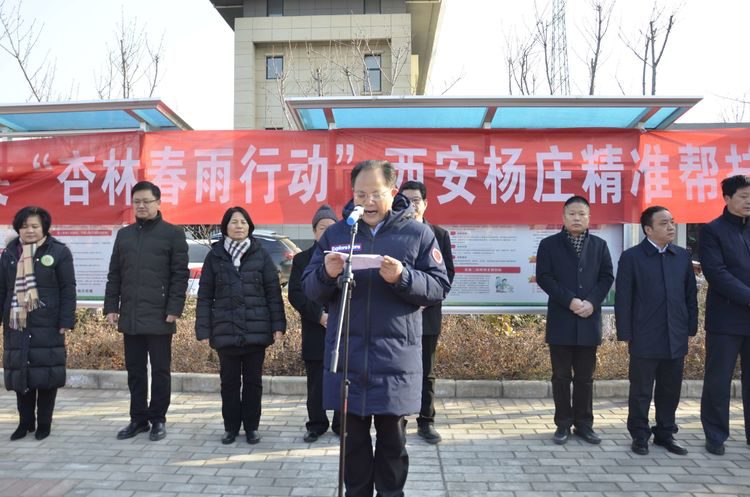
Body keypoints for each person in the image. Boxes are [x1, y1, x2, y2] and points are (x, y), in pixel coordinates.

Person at [302, 160, 451, 497]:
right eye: (360, 194)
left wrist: (404, 277)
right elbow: (310, 288)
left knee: (392, 448)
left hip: (394, 362)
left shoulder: (417, 233)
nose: (367, 201)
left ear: (393, 193)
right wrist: (326, 273)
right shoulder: (338, 233)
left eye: (375, 194)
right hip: (349, 361)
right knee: (352, 449)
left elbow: (439, 285)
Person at [104, 181, 189, 442]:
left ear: (158, 203)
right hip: (130, 314)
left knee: (161, 370)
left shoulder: (173, 234)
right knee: (135, 371)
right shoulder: (125, 235)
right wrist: (111, 307)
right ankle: (138, 419)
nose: (141, 206)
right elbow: (115, 274)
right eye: (137, 202)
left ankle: (158, 419)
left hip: (161, 314)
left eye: (146, 201)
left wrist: (174, 308)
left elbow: (180, 275)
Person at [195, 206, 286, 445]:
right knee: (230, 384)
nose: (238, 226)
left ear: (250, 226)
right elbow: (205, 296)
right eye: (234, 222)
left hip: (257, 331)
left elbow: (273, 293)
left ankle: (252, 427)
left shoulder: (261, 254)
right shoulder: (214, 256)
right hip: (225, 331)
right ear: (225, 226)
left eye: (243, 222)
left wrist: (278, 326)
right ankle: (231, 428)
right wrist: (203, 329)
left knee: (254, 383)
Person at [615, 206, 697, 456]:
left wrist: (691, 326)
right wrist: (625, 333)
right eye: (664, 223)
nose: (671, 227)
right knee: (641, 390)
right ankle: (639, 434)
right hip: (644, 335)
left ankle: (665, 433)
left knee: (670, 388)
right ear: (648, 229)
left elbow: (690, 295)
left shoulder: (682, 256)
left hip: (675, 333)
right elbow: (623, 299)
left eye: (672, 222)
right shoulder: (631, 257)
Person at [535, 195, 614, 445]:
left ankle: (584, 424)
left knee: (585, 377)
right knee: (560, 376)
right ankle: (562, 424)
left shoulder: (600, 246)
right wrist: (570, 300)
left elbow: (606, 277)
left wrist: (591, 302)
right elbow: (545, 277)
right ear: (563, 217)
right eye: (572, 213)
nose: (577, 218)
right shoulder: (549, 245)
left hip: (589, 319)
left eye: (582, 214)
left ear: (589, 218)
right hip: (562, 319)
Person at [1, 206, 76, 441]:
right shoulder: (9, 253)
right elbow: (3, 289)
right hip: (17, 322)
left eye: (34, 226)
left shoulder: (59, 252)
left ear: (44, 227)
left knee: (45, 374)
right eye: (24, 226)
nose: (29, 230)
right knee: (20, 373)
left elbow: (68, 288)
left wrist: (65, 319)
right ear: (17, 228)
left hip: (48, 322)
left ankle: (44, 423)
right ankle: (25, 424)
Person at [398, 180, 455, 444]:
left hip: (427, 315)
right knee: (396, 369)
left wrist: (423, 299)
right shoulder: (393, 233)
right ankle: (396, 421)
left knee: (426, 371)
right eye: (405, 200)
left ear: (426, 203)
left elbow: (446, 276)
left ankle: (426, 421)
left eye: (416, 200)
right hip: (397, 317)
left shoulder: (439, 234)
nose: (411, 205)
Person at [700, 174, 750, 455]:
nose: (748, 202)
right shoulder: (712, 231)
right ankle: (716, 435)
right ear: (727, 198)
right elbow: (716, 273)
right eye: (743, 196)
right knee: (718, 379)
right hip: (726, 319)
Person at [289, 204, 341, 443]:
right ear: (314, 231)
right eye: (322, 228)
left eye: (331, 227)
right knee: (315, 381)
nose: (327, 231)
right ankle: (317, 423)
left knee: (343, 376)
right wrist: (320, 316)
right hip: (315, 327)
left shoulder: (346, 258)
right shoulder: (302, 259)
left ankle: (343, 423)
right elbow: (296, 294)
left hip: (343, 329)